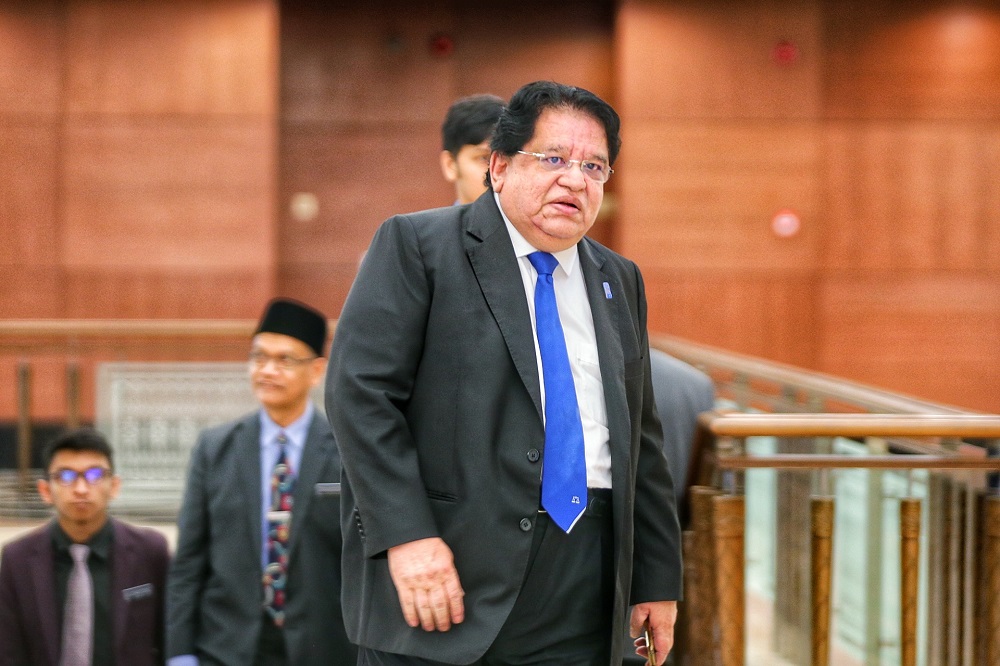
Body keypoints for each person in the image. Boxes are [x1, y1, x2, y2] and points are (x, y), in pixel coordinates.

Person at [327, 80, 682, 666]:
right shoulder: (419, 246)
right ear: (498, 167)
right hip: (447, 574)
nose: (575, 179)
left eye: (595, 167)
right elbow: (358, 397)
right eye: (553, 159)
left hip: (584, 580)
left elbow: (641, 438)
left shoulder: (619, 279)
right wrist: (406, 534)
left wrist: (655, 575)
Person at [166, 298, 356, 665]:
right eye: (258, 357)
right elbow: (188, 563)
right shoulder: (215, 449)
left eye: (284, 360)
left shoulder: (347, 451)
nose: (267, 370)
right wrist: (180, 654)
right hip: (227, 648)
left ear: (317, 371)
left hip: (326, 649)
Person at [0, 427, 170, 665]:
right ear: (45, 490)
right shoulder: (16, 559)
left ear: (114, 486)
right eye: (66, 476)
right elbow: (8, 651)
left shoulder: (151, 552)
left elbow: (169, 639)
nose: (81, 489)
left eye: (94, 475)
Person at [440, 93, 505, 205]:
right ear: (450, 165)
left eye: (508, 158)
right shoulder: (423, 223)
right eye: (485, 158)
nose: (499, 170)